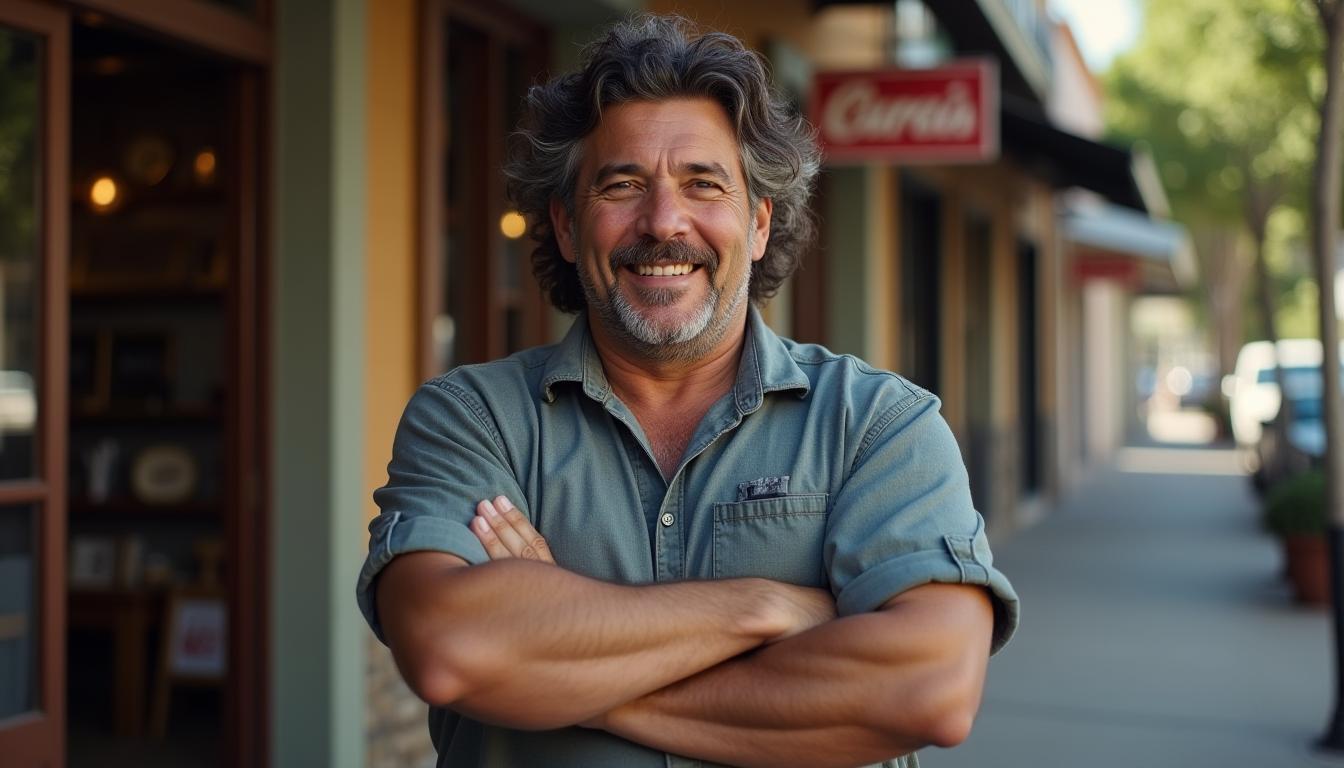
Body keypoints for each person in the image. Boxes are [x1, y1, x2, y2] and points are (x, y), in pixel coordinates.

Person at [356, 15, 1018, 768]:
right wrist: (767, 607)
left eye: (703, 184)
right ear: (569, 228)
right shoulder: (474, 420)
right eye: (623, 184)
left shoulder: (877, 426)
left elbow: (928, 690)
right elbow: (455, 651)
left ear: (759, 223)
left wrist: (553, 659)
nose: (664, 222)